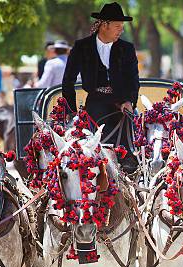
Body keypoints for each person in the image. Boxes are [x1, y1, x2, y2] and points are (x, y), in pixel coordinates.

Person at [62, 2, 139, 172]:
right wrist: (71, 111)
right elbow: (68, 80)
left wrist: (128, 101)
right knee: (87, 141)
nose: (121, 30)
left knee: (135, 134)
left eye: (122, 26)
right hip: (95, 104)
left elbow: (133, 79)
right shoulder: (82, 47)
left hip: (121, 105)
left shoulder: (127, 49)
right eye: (118, 26)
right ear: (104, 25)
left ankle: (131, 161)